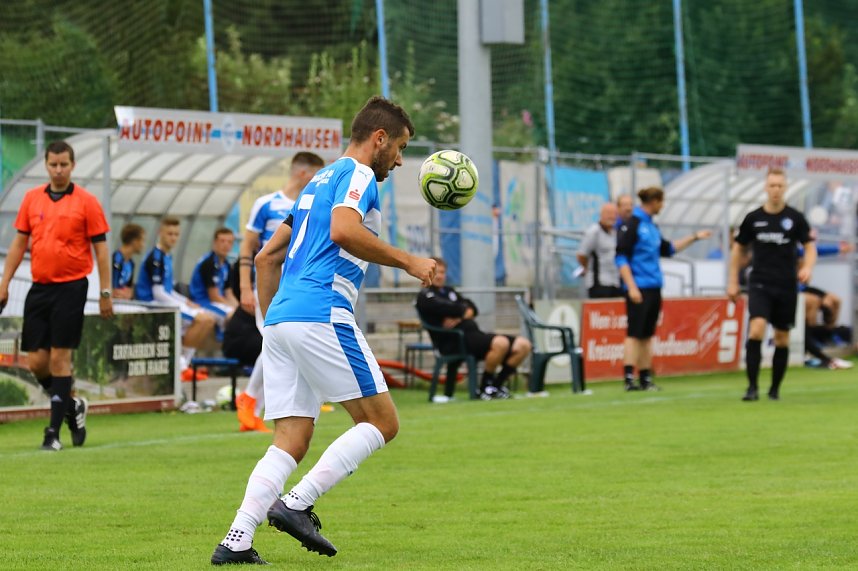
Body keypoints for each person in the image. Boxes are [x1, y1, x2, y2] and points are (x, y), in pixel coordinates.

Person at [211, 95, 436, 565]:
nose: (399, 159)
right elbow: (343, 232)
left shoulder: (316, 181)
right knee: (382, 422)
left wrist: (273, 321)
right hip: (322, 313)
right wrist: (410, 260)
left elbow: (267, 257)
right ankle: (296, 503)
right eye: (399, 147)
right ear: (378, 138)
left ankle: (237, 540)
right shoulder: (356, 175)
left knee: (290, 438)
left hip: (284, 320)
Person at [0, 140, 113, 451]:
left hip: (72, 287)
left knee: (61, 359)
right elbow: (19, 245)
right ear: (46, 165)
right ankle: (72, 405)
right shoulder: (31, 199)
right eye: (53, 164)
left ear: (73, 165)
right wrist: (4, 282)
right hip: (40, 287)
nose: (59, 170)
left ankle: (52, 434)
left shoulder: (87, 202)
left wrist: (105, 291)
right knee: (36, 362)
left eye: (64, 164)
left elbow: (102, 252)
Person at [235, 152, 325, 433]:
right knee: (271, 341)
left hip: (297, 286)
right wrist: (244, 287)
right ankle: (248, 400)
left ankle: (261, 406)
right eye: (316, 174)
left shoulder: (308, 205)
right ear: (303, 173)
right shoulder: (266, 204)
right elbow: (248, 246)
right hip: (268, 283)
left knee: (285, 343)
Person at [728, 168, 817, 401]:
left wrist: (807, 267)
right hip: (760, 283)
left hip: (786, 284)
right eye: (772, 185)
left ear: (785, 188)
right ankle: (752, 387)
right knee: (756, 329)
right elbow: (738, 248)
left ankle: (775, 389)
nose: (776, 190)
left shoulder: (795, 218)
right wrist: (732, 281)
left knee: (781, 338)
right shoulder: (753, 218)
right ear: (765, 188)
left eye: (780, 186)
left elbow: (809, 246)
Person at [616, 186, 711, 392]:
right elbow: (621, 257)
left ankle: (645, 378)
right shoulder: (633, 224)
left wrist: (694, 236)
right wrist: (631, 287)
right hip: (638, 286)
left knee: (647, 335)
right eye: (661, 202)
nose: (663, 206)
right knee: (634, 333)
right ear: (654, 202)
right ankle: (629, 378)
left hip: (653, 286)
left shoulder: (651, 226)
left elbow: (668, 249)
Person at [416, 256, 532, 401]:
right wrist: (462, 311)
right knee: (500, 343)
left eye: (443, 272)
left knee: (523, 345)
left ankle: (495, 386)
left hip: (473, 336)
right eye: (436, 272)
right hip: (454, 341)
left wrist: (459, 315)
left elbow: (472, 307)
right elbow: (450, 308)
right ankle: (485, 387)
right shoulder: (425, 296)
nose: (440, 276)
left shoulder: (449, 291)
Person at [135, 217, 216, 376]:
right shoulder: (156, 257)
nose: (173, 238)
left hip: (165, 302)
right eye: (169, 233)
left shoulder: (167, 256)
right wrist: (183, 306)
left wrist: (186, 302)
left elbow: (168, 290)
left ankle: (184, 365)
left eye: (176, 234)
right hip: (152, 305)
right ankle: (182, 367)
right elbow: (158, 293)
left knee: (208, 320)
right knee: (203, 320)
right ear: (160, 233)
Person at [189, 227, 239, 326]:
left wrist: (240, 308)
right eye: (222, 241)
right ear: (215, 242)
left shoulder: (226, 265)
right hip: (203, 303)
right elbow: (214, 296)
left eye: (229, 242)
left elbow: (228, 293)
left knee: (242, 314)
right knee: (234, 316)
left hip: (217, 303)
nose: (226, 245)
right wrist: (236, 310)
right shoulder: (208, 263)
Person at [577, 202, 622, 298]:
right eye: (608, 213)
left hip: (615, 281)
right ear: (601, 215)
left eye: (614, 214)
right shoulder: (593, 232)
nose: (612, 216)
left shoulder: (615, 232)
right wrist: (586, 267)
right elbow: (582, 255)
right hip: (599, 283)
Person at [112, 223, 146, 300]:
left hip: (123, 302)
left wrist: (129, 294)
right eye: (142, 240)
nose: (143, 245)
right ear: (134, 241)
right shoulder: (115, 259)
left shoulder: (131, 263)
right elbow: (111, 288)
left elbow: (129, 289)